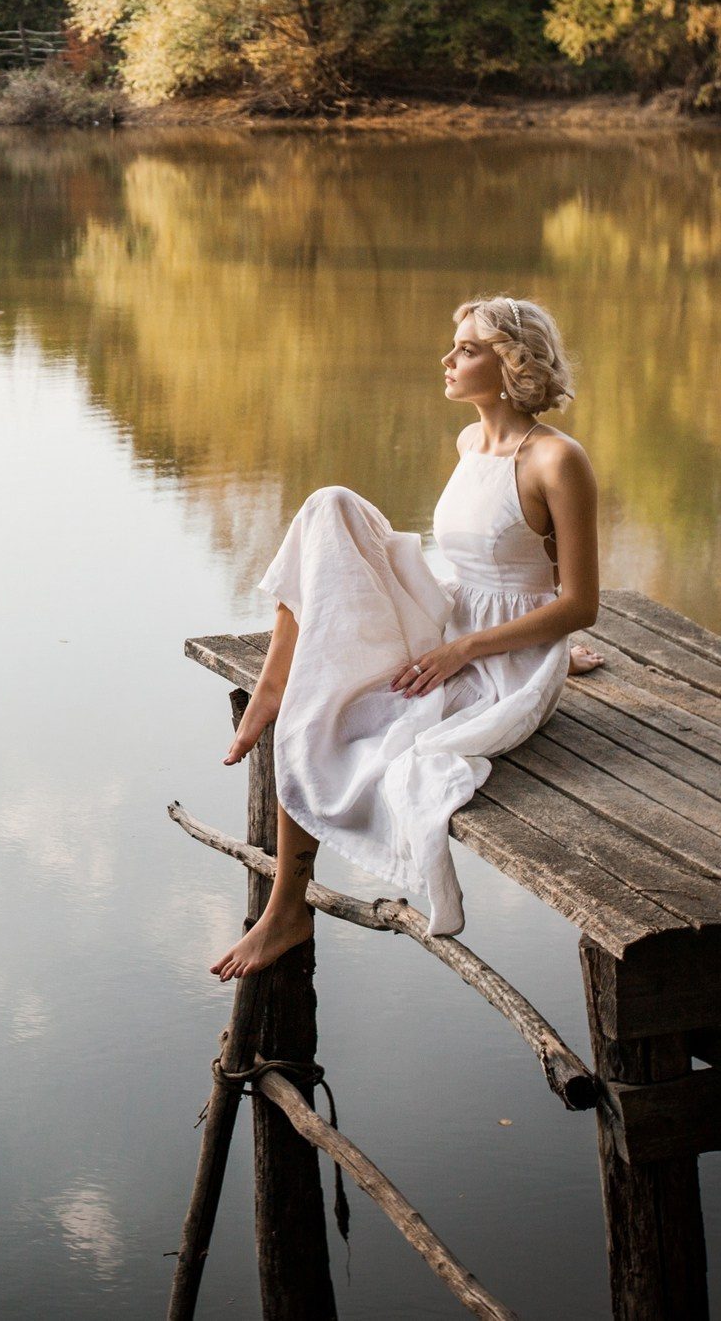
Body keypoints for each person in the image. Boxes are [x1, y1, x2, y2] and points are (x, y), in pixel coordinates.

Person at [211, 297, 601, 974]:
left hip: (501, 662)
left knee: (353, 729)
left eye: (467, 348)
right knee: (328, 508)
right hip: (453, 617)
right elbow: (477, 568)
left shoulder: (557, 461)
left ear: (512, 363)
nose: (448, 360)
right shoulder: (469, 443)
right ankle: (275, 683)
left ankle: (285, 911)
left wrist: (489, 650)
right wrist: (438, 629)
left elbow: (579, 600)